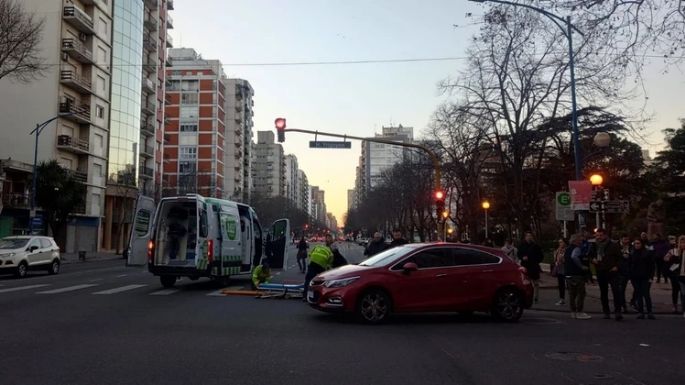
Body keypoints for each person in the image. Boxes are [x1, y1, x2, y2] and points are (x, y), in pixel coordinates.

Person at [592, 228, 624, 320]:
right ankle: (606, 311)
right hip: (601, 270)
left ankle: (618, 311)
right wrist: (593, 259)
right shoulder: (595, 246)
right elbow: (591, 255)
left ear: (605, 235)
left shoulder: (613, 245)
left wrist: (617, 266)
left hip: (612, 271)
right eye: (597, 235)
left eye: (601, 235)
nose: (598, 237)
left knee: (616, 291)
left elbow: (620, 258)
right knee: (603, 292)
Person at [565, 233, 591, 319]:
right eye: (580, 239)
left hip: (568, 274)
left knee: (572, 294)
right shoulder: (577, 249)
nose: (581, 241)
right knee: (581, 293)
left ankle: (573, 311)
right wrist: (581, 266)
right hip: (577, 274)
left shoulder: (567, 249)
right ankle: (579, 311)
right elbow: (574, 257)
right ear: (576, 240)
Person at [630, 238, 656, 319]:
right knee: (639, 294)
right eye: (635, 243)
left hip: (645, 277)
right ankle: (641, 312)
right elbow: (630, 265)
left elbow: (652, 266)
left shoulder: (647, 253)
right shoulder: (632, 253)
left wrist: (651, 277)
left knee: (646, 294)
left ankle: (649, 311)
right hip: (635, 277)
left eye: (638, 243)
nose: (637, 245)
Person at [518, 232, 543, 303]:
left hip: (534, 266)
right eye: (527, 236)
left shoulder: (535, 246)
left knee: (536, 283)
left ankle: (536, 297)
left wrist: (536, 260)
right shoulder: (522, 245)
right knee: (526, 282)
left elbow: (541, 256)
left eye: (530, 236)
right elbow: (519, 254)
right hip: (525, 266)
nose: (529, 237)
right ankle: (526, 297)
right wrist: (523, 257)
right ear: (525, 237)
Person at [664, 234, 685, 315]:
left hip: (683, 274)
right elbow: (665, 259)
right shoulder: (674, 251)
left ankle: (683, 307)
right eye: (682, 242)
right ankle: (675, 306)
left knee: (683, 293)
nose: (683, 244)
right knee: (675, 290)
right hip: (676, 274)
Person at [618, 234, 634, 313]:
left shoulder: (631, 248)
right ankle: (622, 306)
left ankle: (629, 304)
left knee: (622, 289)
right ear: (621, 239)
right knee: (620, 290)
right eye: (625, 239)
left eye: (628, 239)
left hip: (628, 271)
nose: (626, 241)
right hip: (619, 271)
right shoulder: (617, 247)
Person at [552, 238, 568, 306]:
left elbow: (567, 260)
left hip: (566, 269)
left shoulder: (567, 250)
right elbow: (555, 259)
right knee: (561, 285)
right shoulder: (558, 250)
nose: (560, 244)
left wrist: (563, 259)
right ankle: (562, 299)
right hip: (559, 269)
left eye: (561, 242)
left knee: (569, 284)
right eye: (559, 242)